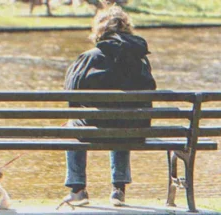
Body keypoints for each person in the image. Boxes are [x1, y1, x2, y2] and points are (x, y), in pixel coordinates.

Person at [62, 4, 157, 206]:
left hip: (94, 129)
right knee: (124, 120)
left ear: (99, 29)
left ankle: (78, 189)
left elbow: (70, 95)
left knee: (72, 124)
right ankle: (118, 190)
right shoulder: (140, 59)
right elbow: (149, 93)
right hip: (133, 129)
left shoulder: (89, 57)